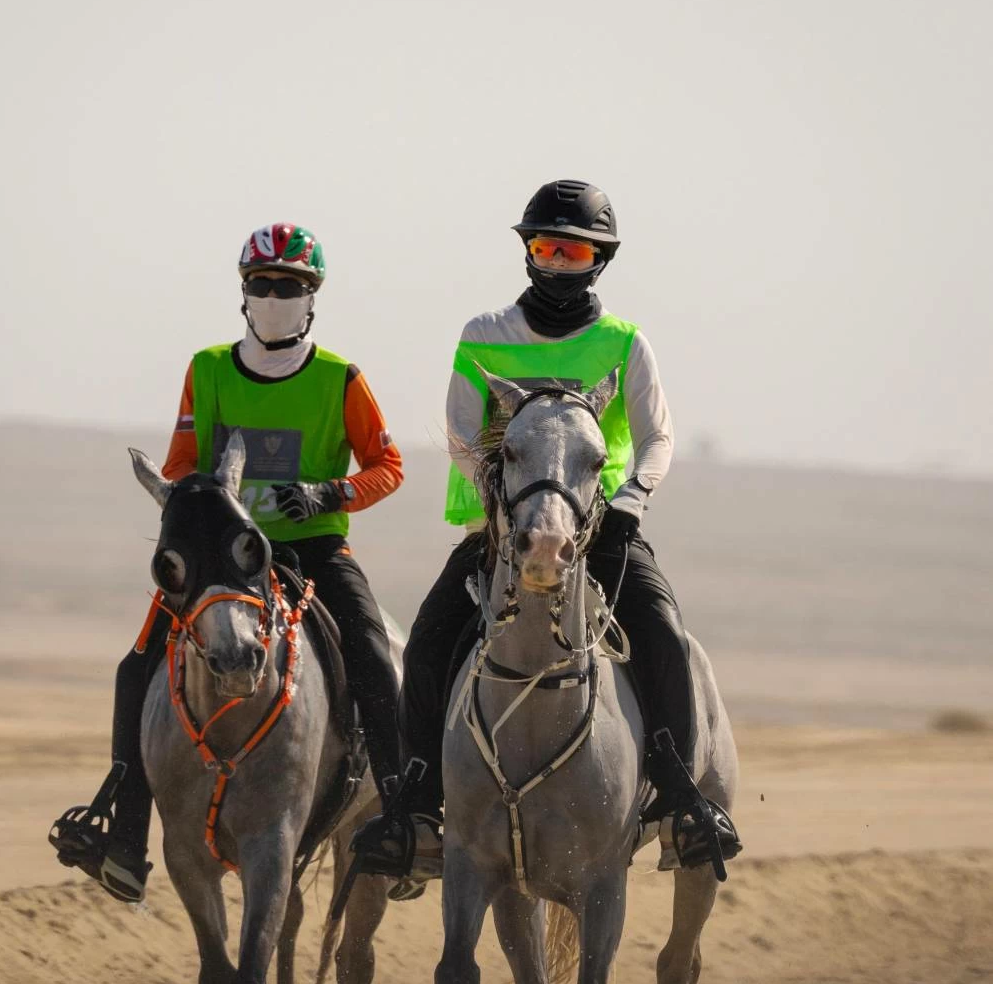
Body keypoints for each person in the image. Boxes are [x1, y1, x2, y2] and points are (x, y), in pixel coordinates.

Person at [353, 178, 740, 882]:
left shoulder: (625, 343)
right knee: (434, 633)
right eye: (545, 247)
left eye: (573, 250)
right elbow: (462, 434)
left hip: (605, 531)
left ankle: (680, 800)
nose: (557, 262)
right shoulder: (483, 336)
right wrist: (497, 503)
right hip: (496, 531)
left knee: (660, 629)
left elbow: (658, 438)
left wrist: (631, 501)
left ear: (600, 260)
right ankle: (415, 806)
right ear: (528, 253)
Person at [51, 222, 404, 903]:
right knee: (138, 664)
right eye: (262, 284)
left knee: (368, 644)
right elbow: (183, 463)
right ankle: (123, 836)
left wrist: (331, 492)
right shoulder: (208, 368)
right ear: (243, 292)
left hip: (316, 548)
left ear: (313, 297)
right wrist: (197, 497)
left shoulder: (341, 378)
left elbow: (387, 467)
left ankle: (405, 815)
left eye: (291, 286)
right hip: (226, 559)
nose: (275, 296)